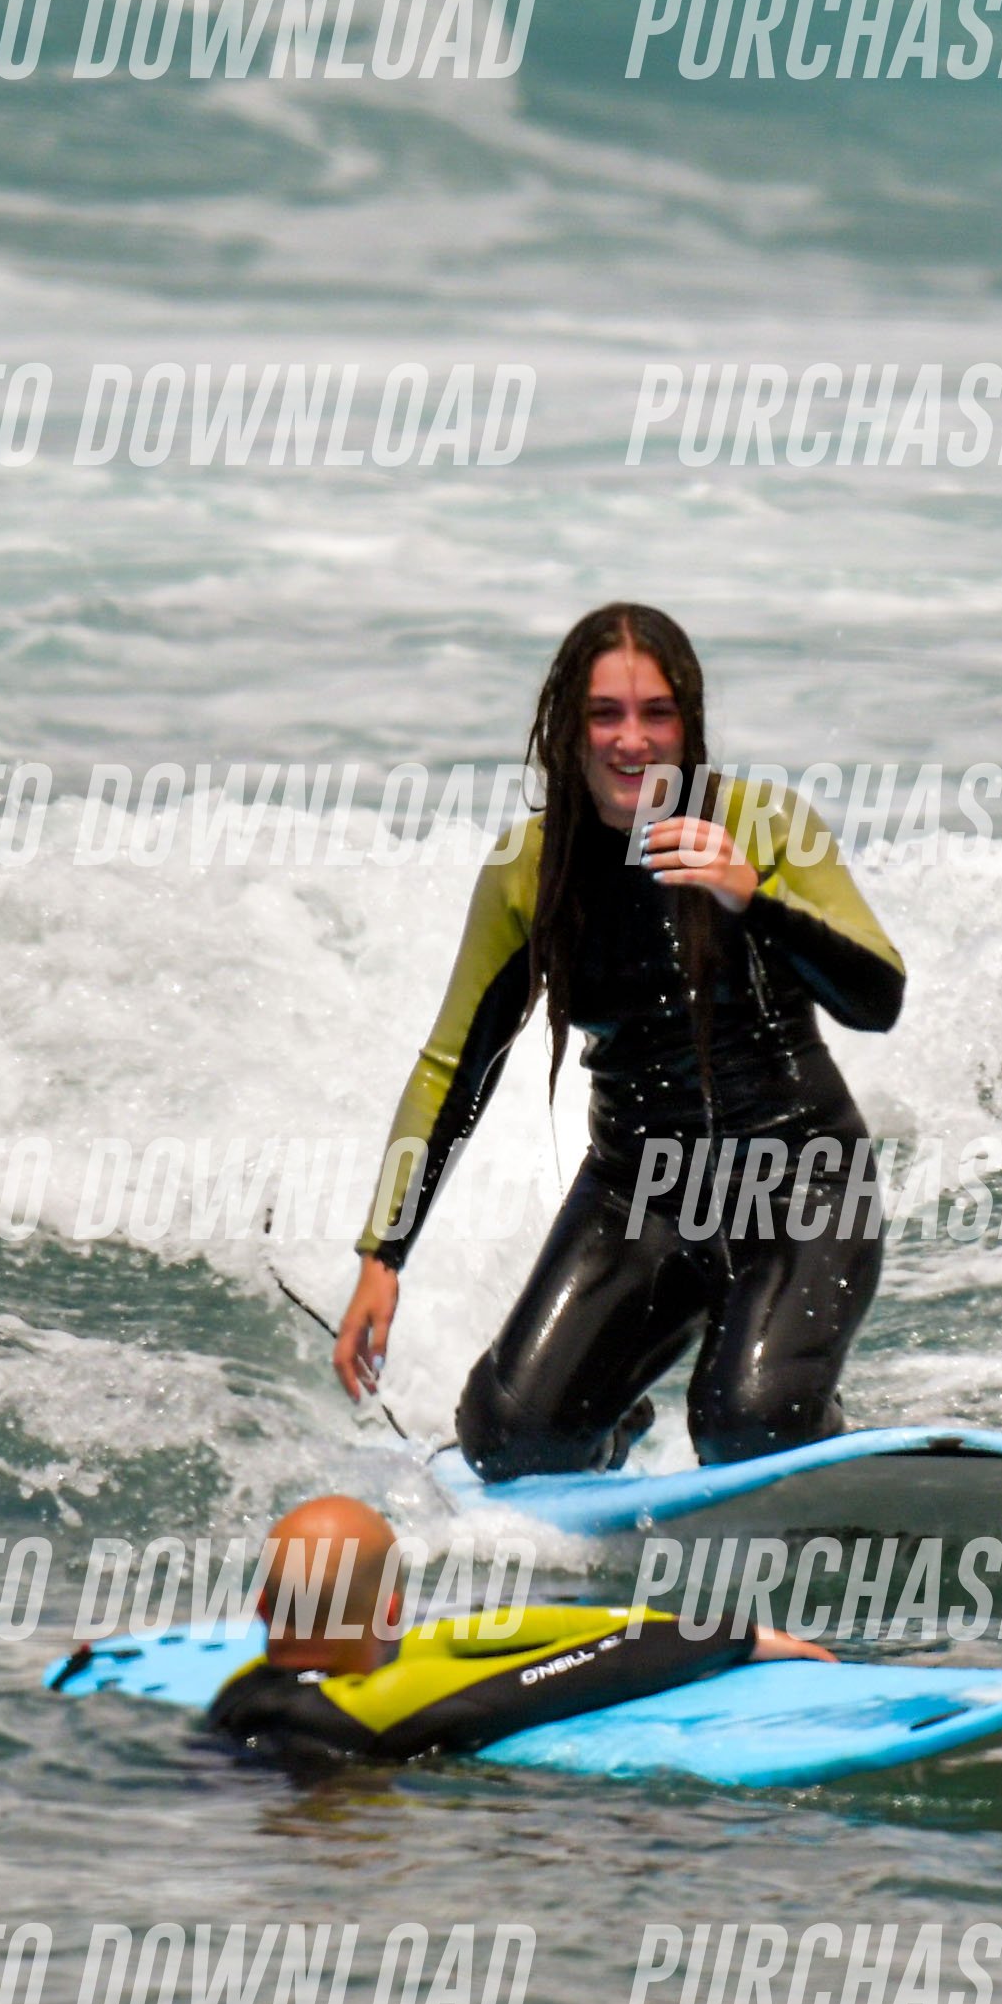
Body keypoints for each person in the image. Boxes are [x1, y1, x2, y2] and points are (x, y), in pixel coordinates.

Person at [331, 604, 905, 1478]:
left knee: (745, 1427)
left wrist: (753, 899)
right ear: (568, 727)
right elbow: (454, 1068)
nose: (631, 740)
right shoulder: (532, 869)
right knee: (511, 1439)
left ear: (689, 722)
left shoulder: (763, 824)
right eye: (605, 714)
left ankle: (804, 1422)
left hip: (804, 1184)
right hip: (641, 1194)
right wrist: (385, 1255)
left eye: (656, 713)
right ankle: (611, 1418)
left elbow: (878, 998)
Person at [189, 1494, 825, 1762]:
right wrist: (736, 1637)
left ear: (263, 1608)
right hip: (363, 1867)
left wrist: (658, 1620)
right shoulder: (379, 1707)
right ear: (392, 1611)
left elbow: (475, 1634)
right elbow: (593, 1669)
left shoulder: (240, 1692)